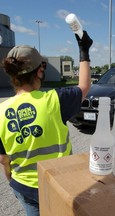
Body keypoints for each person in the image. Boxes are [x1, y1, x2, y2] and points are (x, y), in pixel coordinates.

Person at [0, 31, 93, 215]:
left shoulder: (1, 111)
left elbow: (3, 160)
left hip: (23, 186)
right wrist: (84, 51)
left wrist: (12, 181)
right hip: (57, 183)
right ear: (40, 71)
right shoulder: (55, 100)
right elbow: (84, 86)